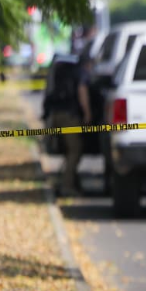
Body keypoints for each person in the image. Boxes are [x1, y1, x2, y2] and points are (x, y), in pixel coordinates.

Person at [44, 53, 92, 196]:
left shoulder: (64, 72)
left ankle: (70, 182)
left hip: (57, 115)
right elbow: (82, 90)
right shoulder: (81, 73)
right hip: (70, 117)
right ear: (87, 64)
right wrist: (87, 112)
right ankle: (67, 186)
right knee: (75, 151)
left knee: (69, 150)